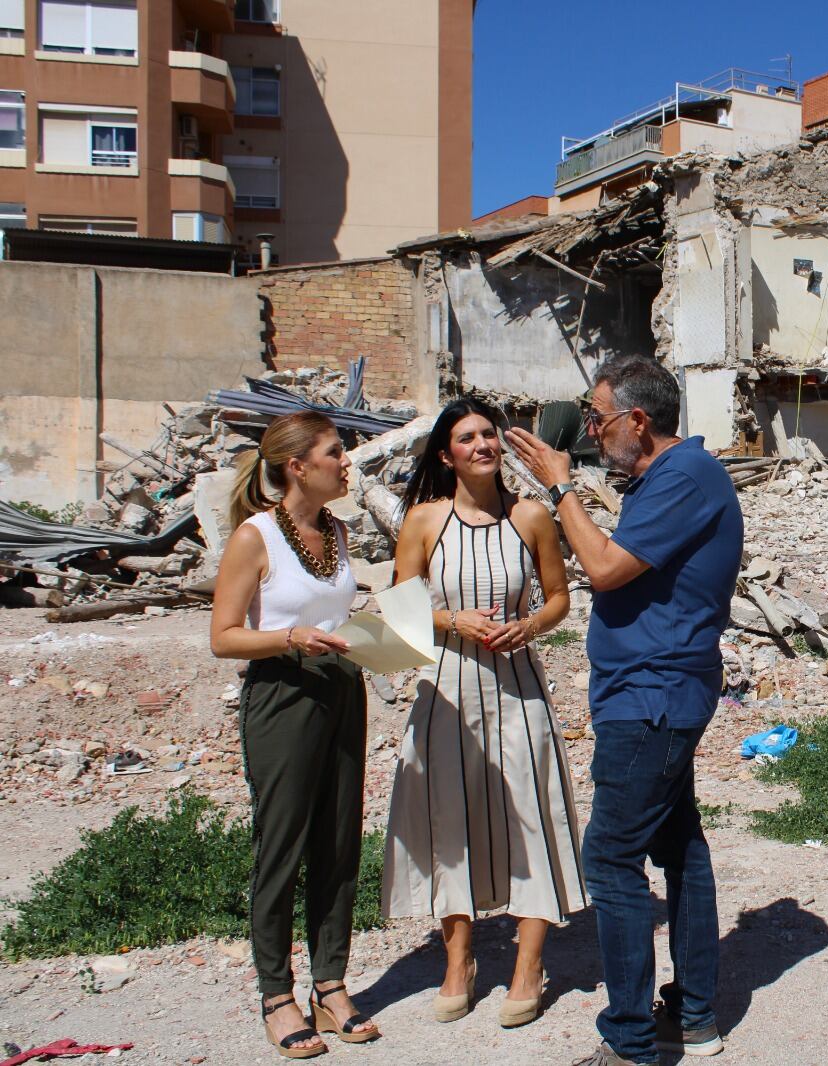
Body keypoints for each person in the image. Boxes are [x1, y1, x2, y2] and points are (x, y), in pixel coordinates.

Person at [505, 356, 743, 1066]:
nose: (591, 432)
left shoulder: (684, 476)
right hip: (654, 690)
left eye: (599, 418)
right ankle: (694, 1016)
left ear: (638, 420)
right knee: (678, 846)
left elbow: (605, 568)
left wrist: (559, 487)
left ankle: (631, 1042)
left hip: (651, 697)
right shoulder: (664, 478)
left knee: (610, 859)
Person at [381, 398, 585, 1029]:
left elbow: (559, 598)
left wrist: (531, 625)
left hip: (518, 686)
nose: (482, 445)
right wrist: (451, 620)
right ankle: (458, 961)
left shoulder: (531, 516)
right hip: (446, 687)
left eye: (488, 434)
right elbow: (399, 607)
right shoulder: (423, 520)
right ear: (446, 455)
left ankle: (529, 964)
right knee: (450, 816)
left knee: (532, 811)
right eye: (467, 438)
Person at [209, 411, 380, 1060]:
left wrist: (376, 631)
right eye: (336, 452)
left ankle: (329, 984)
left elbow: (335, 611)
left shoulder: (337, 530)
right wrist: (288, 638)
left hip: (342, 688)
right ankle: (276, 993)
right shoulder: (254, 537)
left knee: (339, 840)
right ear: (298, 466)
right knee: (282, 844)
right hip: (283, 692)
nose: (347, 462)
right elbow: (224, 636)